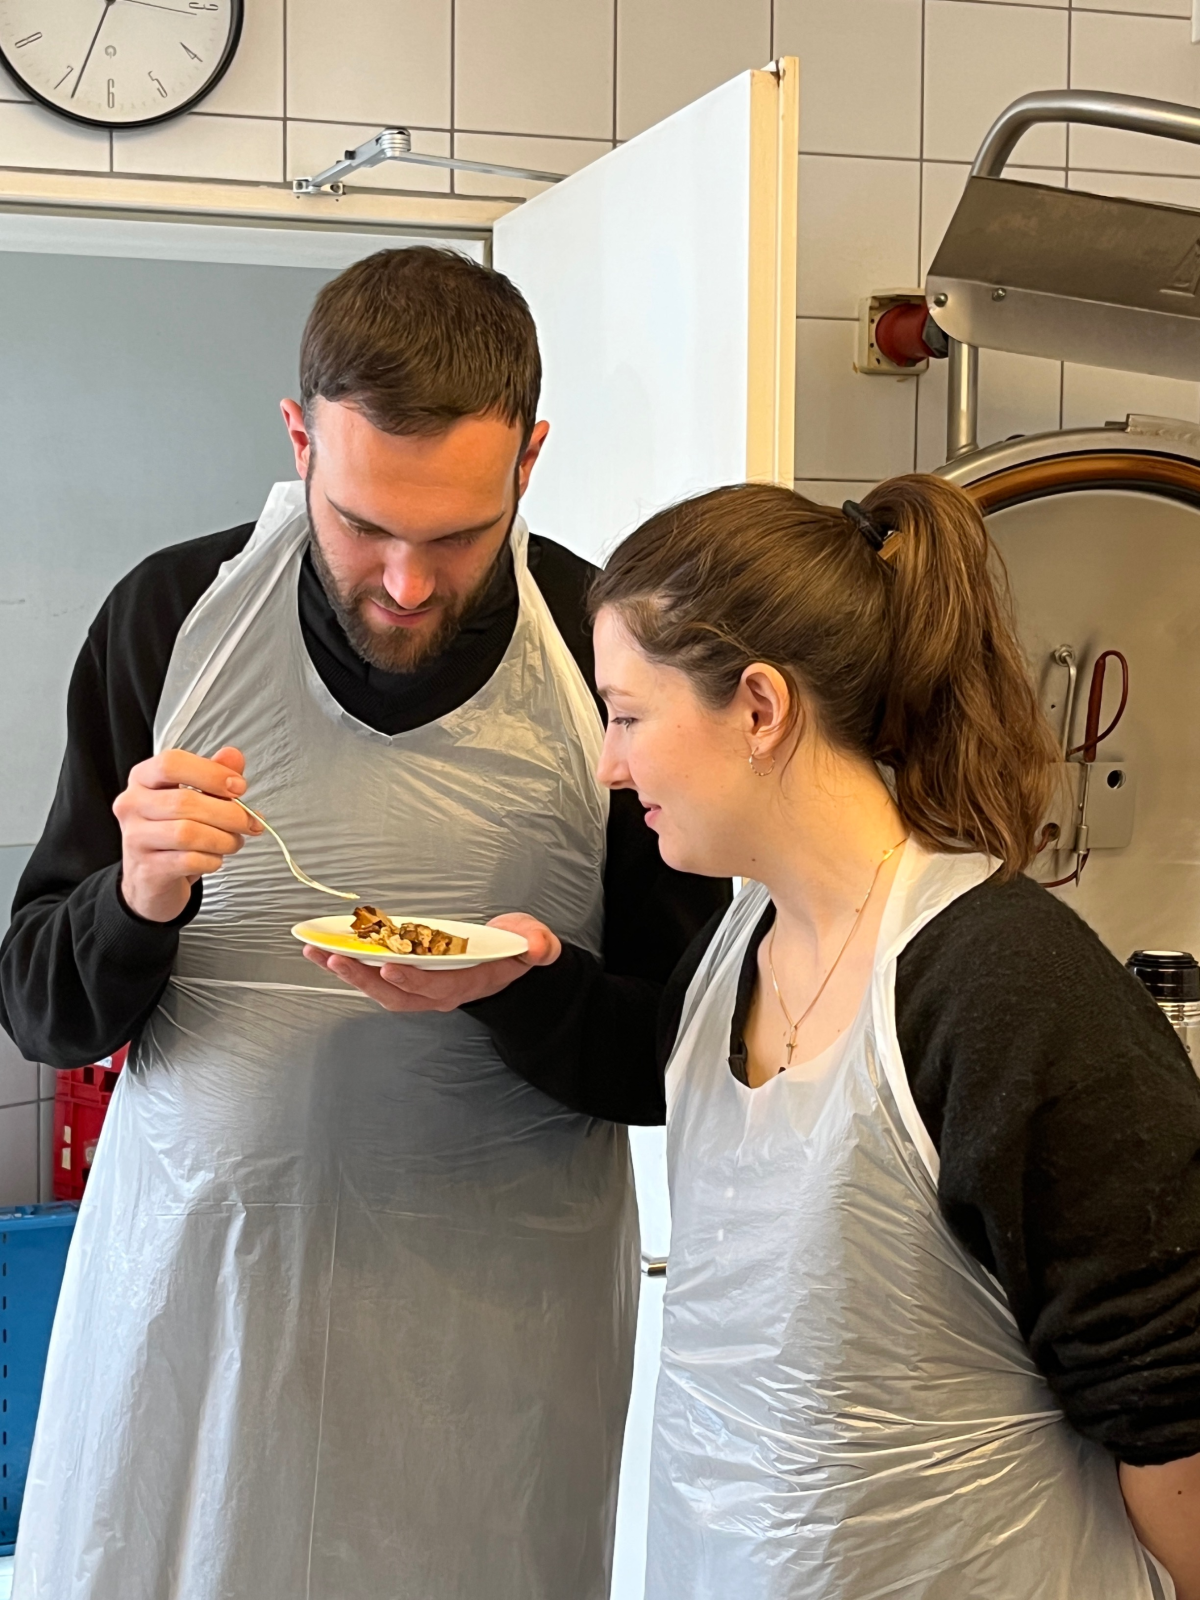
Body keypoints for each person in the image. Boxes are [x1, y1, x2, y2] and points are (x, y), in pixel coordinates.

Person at [0, 247, 727, 1600]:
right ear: (296, 439)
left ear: (530, 458)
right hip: (197, 1310)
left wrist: (522, 983)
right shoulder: (172, 622)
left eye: (456, 536)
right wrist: (137, 897)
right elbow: (40, 1006)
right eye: (360, 525)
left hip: (493, 1347)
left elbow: (682, 1056)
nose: (403, 583)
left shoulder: (606, 650)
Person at [403, 476, 1200, 1597]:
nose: (609, 765)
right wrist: (514, 984)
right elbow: (665, 1079)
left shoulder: (1003, 982)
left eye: (627, 716)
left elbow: (1175, 1407)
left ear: (761, 709)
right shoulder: (738, 948)